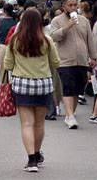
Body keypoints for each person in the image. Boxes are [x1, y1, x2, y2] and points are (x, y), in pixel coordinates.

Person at [4, 9, 60, 172]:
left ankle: (31, 161)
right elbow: (56, 63)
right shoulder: (47, 40)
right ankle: (36, 153)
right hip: (43, 84)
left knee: (27, 123)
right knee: (39, 123)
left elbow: (8, 64)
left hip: (21, 84)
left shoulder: (15, 40)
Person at [50, 0, 97, 129]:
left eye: (75, 5)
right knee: (67, 88)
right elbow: (53, 36)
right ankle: (70, 115)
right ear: (63, 6)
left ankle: (70, 114)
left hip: (82, 61)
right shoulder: (57, 20)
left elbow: (90, 40)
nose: (73, 8)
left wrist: (93, 57)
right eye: (70, 5)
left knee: (78, 90)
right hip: (65, 61)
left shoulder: (84, 21)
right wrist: (67, 26)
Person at [0, 3, 18, 79]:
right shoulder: (16, 21)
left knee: (3, 67)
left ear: (4, 11)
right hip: (15, 45)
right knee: (15, 65)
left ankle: (4, 85)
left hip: (2, 46)